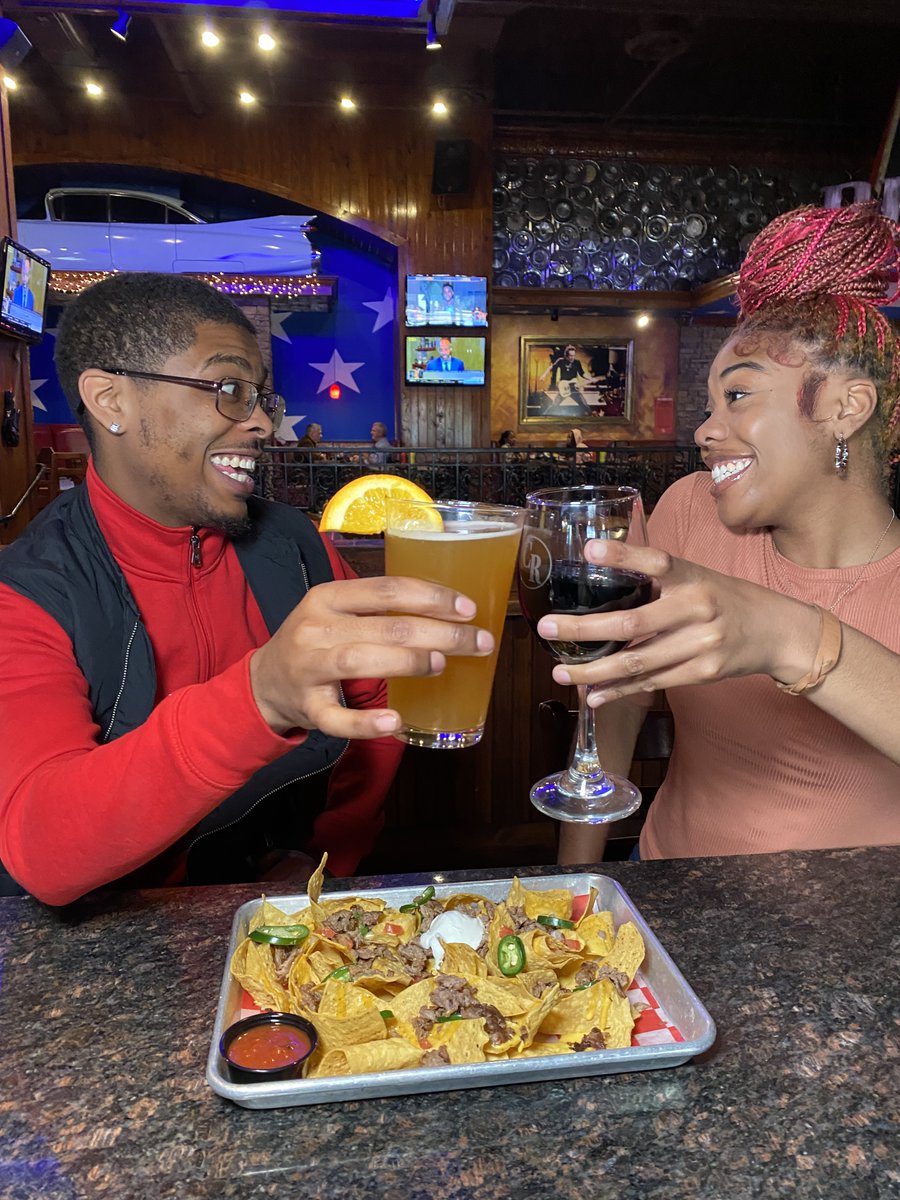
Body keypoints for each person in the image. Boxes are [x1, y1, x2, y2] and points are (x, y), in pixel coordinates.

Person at [0, 273, 494, 905]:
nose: (261, 422)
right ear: (110, 400)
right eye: (229, 389)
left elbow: (378, 697)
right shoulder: (29, 591)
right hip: (114, 947)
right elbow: (40, 848)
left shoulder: (296, 542)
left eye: (261, 396)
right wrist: (259, 695)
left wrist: (328, 856)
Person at [549, 201, 900, 867]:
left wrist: (788, 635)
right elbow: (621, 696)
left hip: (863, 946)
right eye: (709, 406)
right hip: (673, 899)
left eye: (737, 397)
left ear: (846, 407)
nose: (706, 432)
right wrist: (578, 882)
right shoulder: (688, 511)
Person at [538, 345, 598, 414]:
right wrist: (544, 375)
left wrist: (591, 378)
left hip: (573, 388)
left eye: (574, 355)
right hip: (564, 387)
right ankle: (544, 417)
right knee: (554, 405)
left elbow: (582, 373)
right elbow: (552, 367)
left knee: (585, 405)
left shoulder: (577, 362)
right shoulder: (561, 361)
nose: (572, 357)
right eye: (570, 355)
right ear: (566, 355)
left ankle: (593, 417)